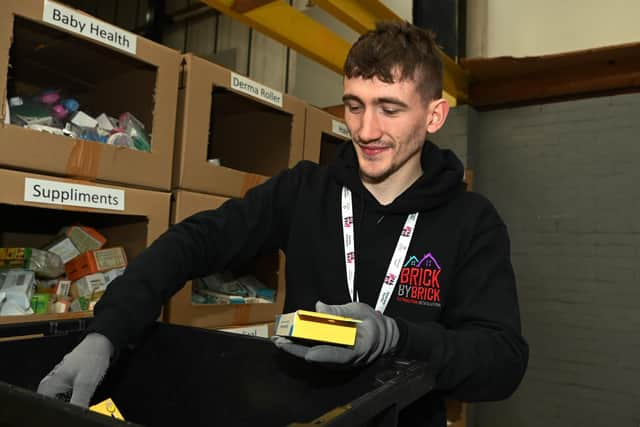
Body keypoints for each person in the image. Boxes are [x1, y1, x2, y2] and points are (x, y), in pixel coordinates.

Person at [38, 21, 528, 426]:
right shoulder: (304, 191)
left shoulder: (471, 221)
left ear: (435, 115)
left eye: (389, 108)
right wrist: (107, 331)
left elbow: (502, 361)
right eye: (355, 105)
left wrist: (394, 337)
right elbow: (194, 241)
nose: (366, 130)